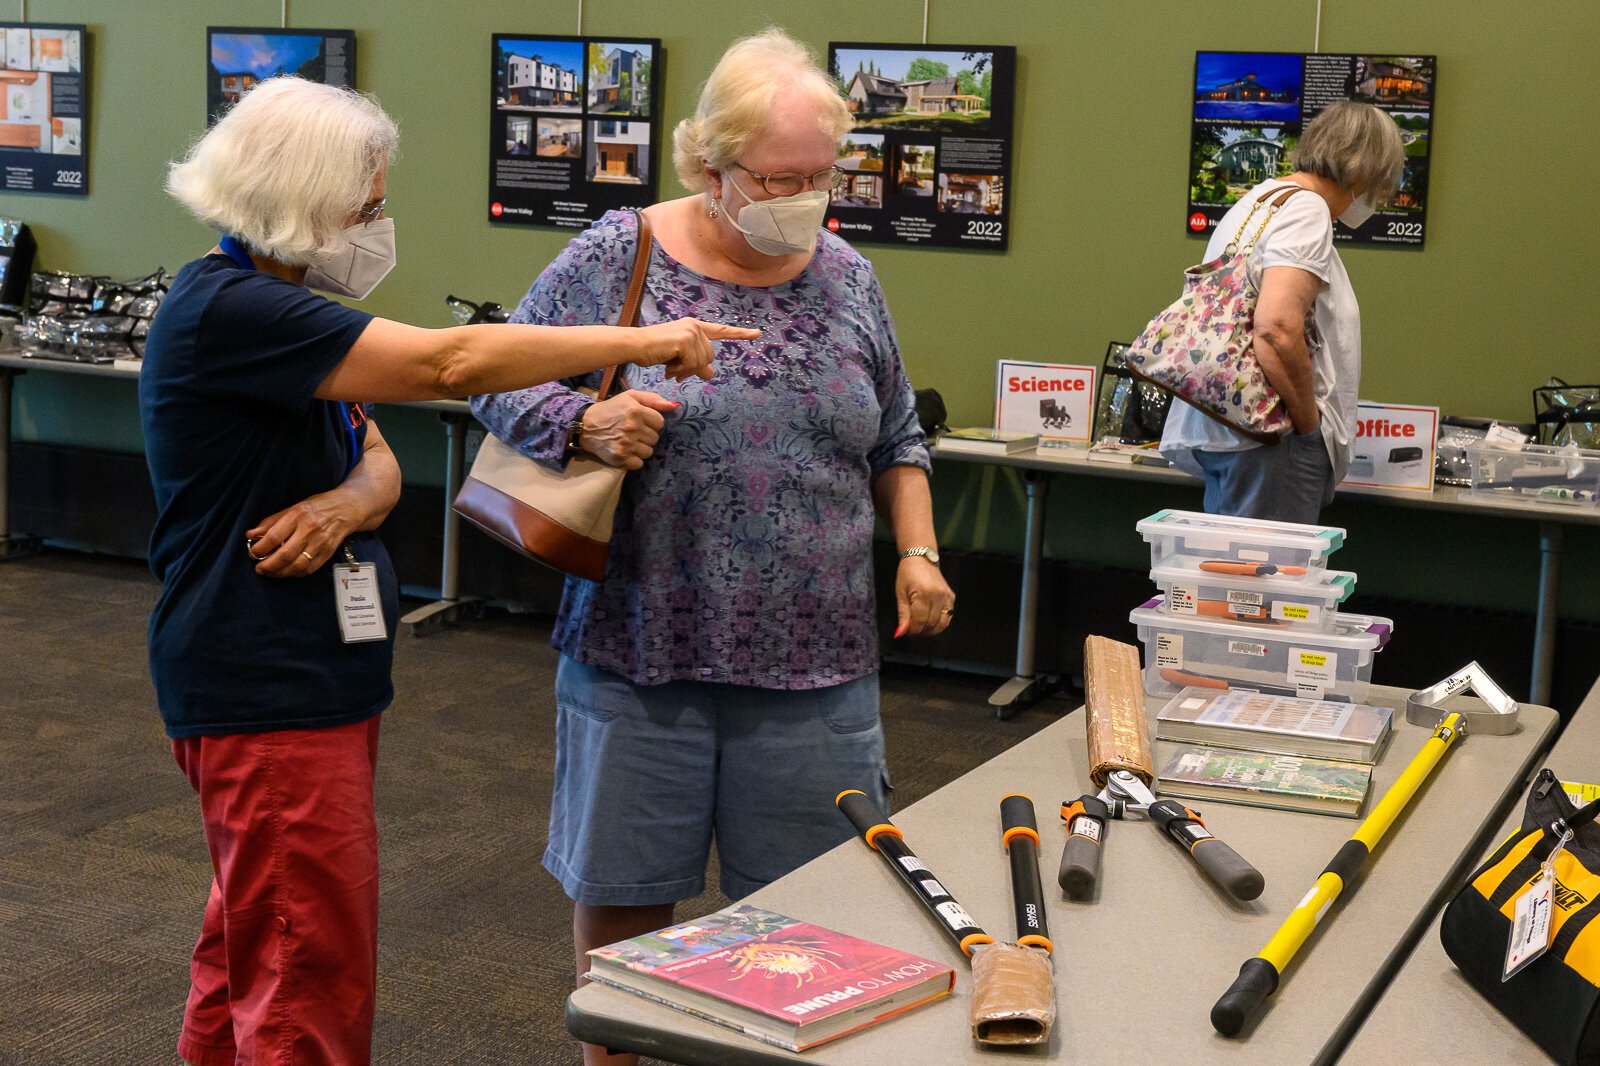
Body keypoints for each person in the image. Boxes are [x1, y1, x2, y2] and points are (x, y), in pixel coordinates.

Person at [141, 76, 751, 1066]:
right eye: (366, 207)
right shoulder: (238, 310)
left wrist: (347, 499)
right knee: (305, 969)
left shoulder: (283, 308)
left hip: (304, 681)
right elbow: (450, 366)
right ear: (303, 198)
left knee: (250, 941)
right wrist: (643, 340)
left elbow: (376, 456)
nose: (377, 228)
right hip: (263, 686)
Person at [471, 29, 955, 1065]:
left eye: (825, 175)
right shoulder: (619, 252)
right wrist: (583, 424)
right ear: (710, 167)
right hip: (642, 651)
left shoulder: (849, 276)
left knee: (812, 926)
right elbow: (490, 373)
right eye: (783, 178)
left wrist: (919, 551)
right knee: (626, 905)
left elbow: (898, 435)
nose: (809, 198)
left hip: (816, 665)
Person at [1160, 100, 1405, 523]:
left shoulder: (1262, 200)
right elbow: (1275, 328)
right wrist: (1310, 426)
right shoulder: (1308, 211)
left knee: (1233, 575)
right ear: (1364, 166)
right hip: (1272, 436)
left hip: (1229, 427)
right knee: (1267, 583)